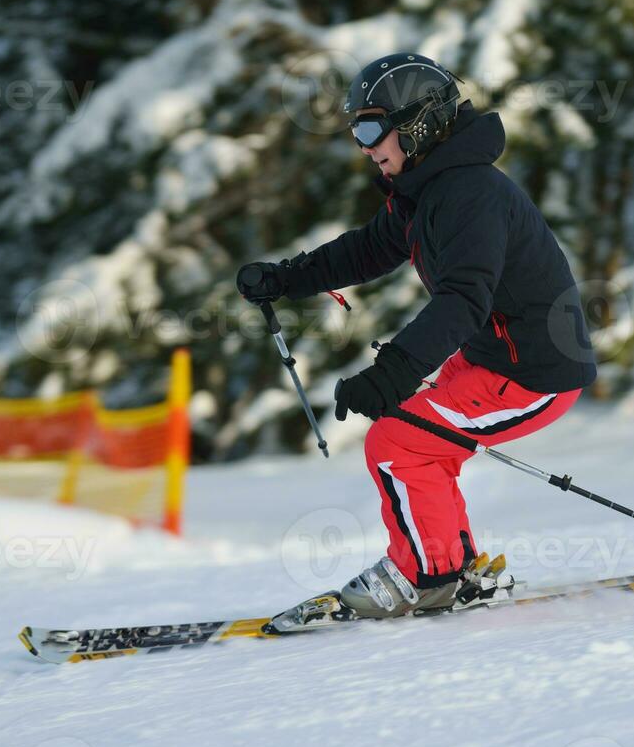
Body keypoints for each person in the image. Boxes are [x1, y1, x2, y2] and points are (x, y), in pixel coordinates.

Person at [238, 52, 595, 623]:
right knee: (415, 437)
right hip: (495, 360)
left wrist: (394, 369)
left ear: (419, 123)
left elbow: (463, 299)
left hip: (534, 375)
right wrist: (285, 279)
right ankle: (452, 568)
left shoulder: (470, 195)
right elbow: (368, 249)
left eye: (372, 126)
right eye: (357, 129)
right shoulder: (427, 190)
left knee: (397, 441)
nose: (363, 144)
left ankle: (427, 578)